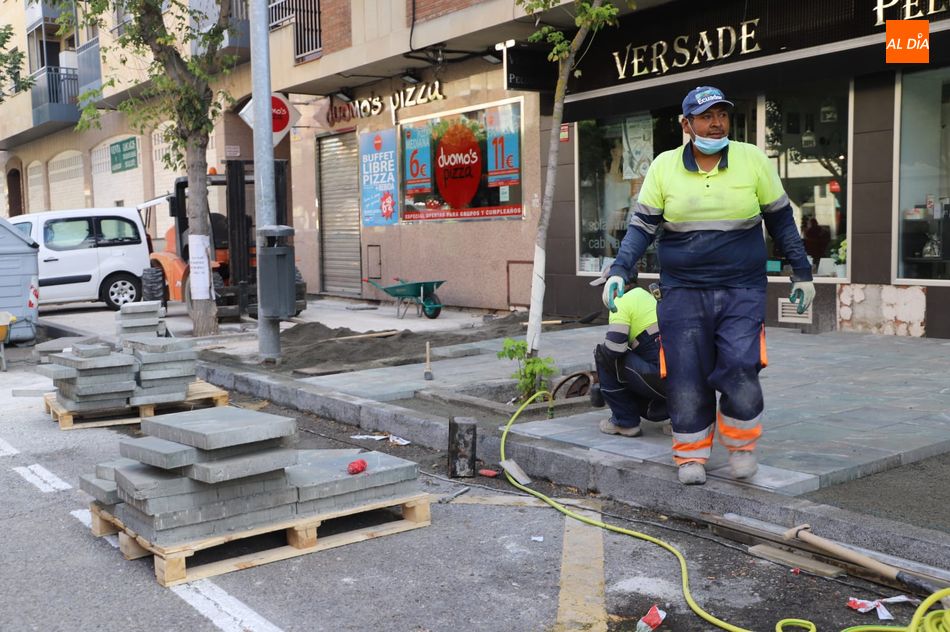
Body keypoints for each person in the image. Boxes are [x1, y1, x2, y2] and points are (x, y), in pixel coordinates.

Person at [599, 86, 815, 485]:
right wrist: (618, 270)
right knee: (685, 374)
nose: (716, 123)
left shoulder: (752, 160)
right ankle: (691, 455)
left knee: (740, 366)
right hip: (682, 291)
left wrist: (801, 273)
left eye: (722, 114)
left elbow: (782, 221)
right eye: (706, 116)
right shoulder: (664, 167)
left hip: (742, 288)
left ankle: (741, 446)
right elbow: (641, 227)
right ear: (687, 124)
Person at [588, 269, 669, 437]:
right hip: (683, 384)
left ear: (614, 286)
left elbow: (614, 348)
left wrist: (603, 385)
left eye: (604, 286)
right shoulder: (648, 296)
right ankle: (679, 421)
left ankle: (625, 422)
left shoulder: (621, 302)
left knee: (603, 354)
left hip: (661, 377)